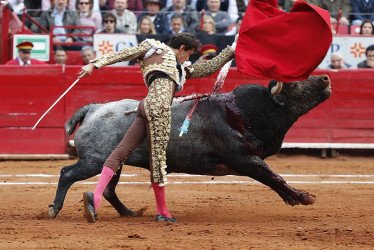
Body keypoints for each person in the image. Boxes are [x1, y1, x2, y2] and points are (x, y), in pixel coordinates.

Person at [79, 32, 236, 223]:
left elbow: (208, 68)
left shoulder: (168, 61)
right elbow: (126, 53)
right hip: (160, 108)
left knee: (120, 151)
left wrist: (232, 50)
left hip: (145, 106)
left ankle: (95, 200)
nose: (189, 59)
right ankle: (162, 212)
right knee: (159, 161)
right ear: (182, 48)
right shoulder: (156, 47)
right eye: (189, 55)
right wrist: (94, 64)